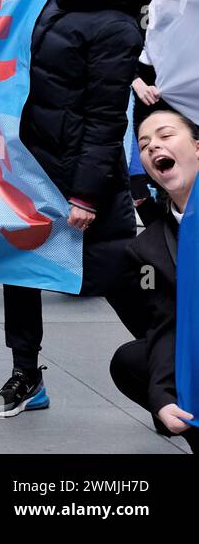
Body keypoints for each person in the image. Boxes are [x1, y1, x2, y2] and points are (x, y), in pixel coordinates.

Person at [0, 0, 153, 417]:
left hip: (82, 175)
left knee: (116, 275)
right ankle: (26, 375)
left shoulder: (118, 27)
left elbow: (106, 119)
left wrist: (85, 195)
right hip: (28, 162)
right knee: (22, 267)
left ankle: (177, 365)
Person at [111, 109, 198, 453]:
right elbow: (165, 322)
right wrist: (162, 398)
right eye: (144, 144)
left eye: (165, 135)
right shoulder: (150, 247)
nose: (152, 147)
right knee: (132, 361)